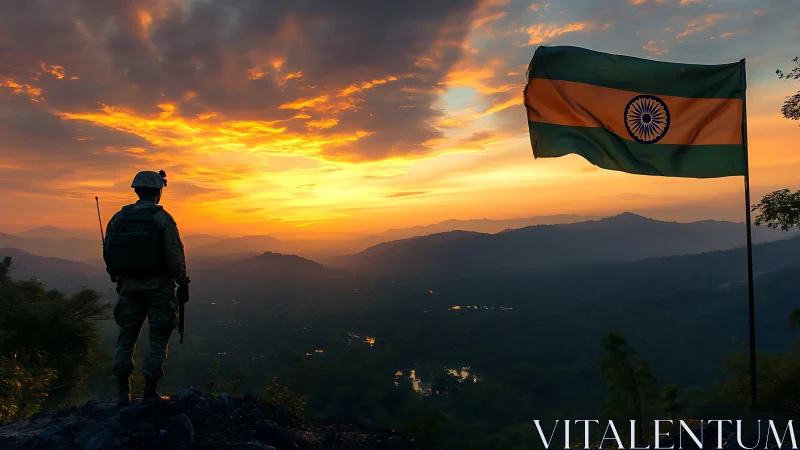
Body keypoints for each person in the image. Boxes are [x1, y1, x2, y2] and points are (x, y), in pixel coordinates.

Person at [103, 170, 190, 407]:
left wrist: (118, 276)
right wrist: (182, 281)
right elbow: (175, 255)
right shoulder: (162, 219)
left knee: (126, 336)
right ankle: (150, 392)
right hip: (158, 287)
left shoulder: (118, 218)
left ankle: (123, 392)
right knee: (158, 337)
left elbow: (108, 252)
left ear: (136, 190)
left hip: (129, 287)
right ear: (157, 192)